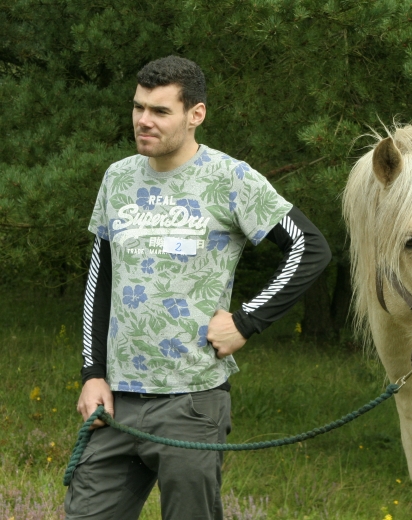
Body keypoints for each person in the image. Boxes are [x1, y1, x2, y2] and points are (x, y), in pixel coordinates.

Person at [65, 55, 331, 520]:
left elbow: (310, 248)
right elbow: (99, 280)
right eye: (138, 107)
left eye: (160, 111)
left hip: (190, 403)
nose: (143, 121)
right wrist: (92, 373)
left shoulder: (231, 179)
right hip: (116, 402)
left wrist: (246, 323)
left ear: (196, 114)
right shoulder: (118, 178)